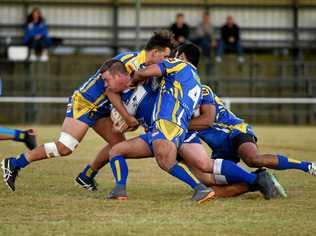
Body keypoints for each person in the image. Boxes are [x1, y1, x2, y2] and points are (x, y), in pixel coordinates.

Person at [1, 59, 132, 192]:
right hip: (85, 102)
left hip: (102, 108)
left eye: (107, 80)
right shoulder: (135, 60)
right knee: (65, 146)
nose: (105, 84)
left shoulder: (143, 69)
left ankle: (86, 176)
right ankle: (14, 163)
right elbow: (113, 66)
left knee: (119, 145)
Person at [75, 30, 176, 191]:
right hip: (99, 106)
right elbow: (110, 91)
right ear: (155, 52)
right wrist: (127, 117)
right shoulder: (132, 63)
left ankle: (86, 176)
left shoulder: (148, 67)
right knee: (117, 146)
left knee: (118, 145)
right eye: (165, 57)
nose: (167, 61)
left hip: (114, 107)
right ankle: (96, 179)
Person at [189, 84, 316, 180]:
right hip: (219, 147)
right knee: (215, 179)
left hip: (236, 131)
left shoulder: (201, 90)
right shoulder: (177, 99)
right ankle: (261, 179)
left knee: (253, 160)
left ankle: (308, 166)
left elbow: (207, 121)